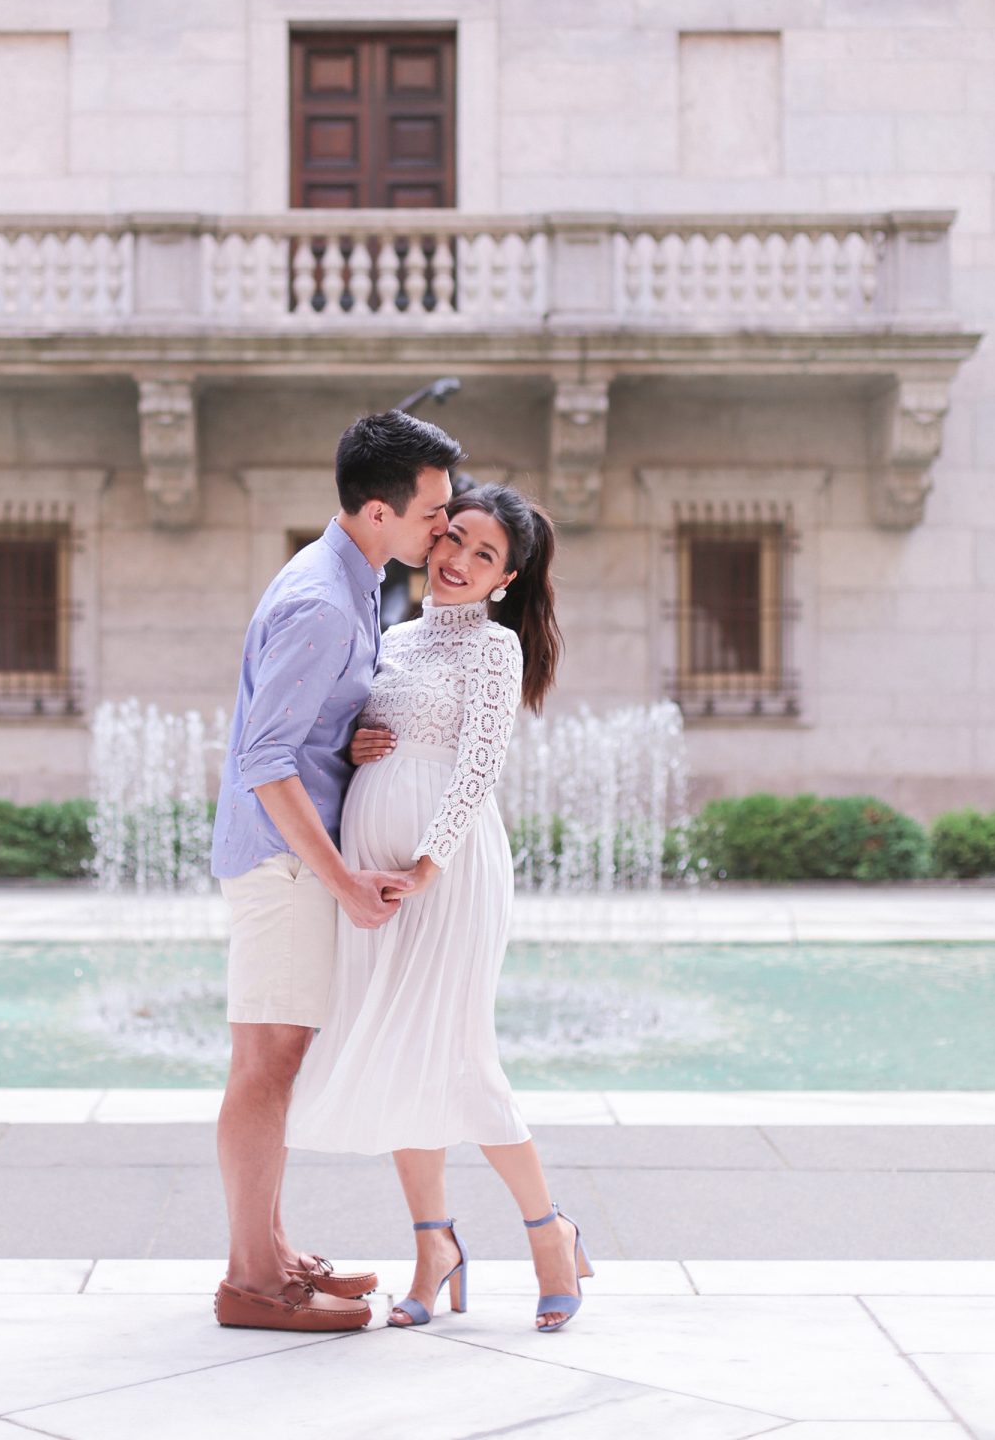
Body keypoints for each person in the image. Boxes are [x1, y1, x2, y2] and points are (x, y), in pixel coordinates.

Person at [287, 483, 594, 1332]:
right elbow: (353, 738)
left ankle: (550, 1235)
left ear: (506, 577)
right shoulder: (389, 636)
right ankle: (434, 1248)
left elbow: (478, 765)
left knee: (460, 1056)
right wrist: (356, 744)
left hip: (447, 872)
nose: (457, 561)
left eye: (483, 555)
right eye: (454, 538)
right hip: (369, 864)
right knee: (394, 1051)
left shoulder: (493, 650)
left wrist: (427, 863)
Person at [211, 409, 462, 1333]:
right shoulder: (324, 599)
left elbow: (295, 736)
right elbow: (263, 759)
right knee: (267, 1067)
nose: (445, 527)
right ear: (375, 510)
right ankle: (250, 1280)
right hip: (284, 867)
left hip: (281, 859)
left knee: (269, 1062)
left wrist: (348, 740)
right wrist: (346, 883)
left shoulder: (353, 582)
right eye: (433, 512)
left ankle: (270, 1251)